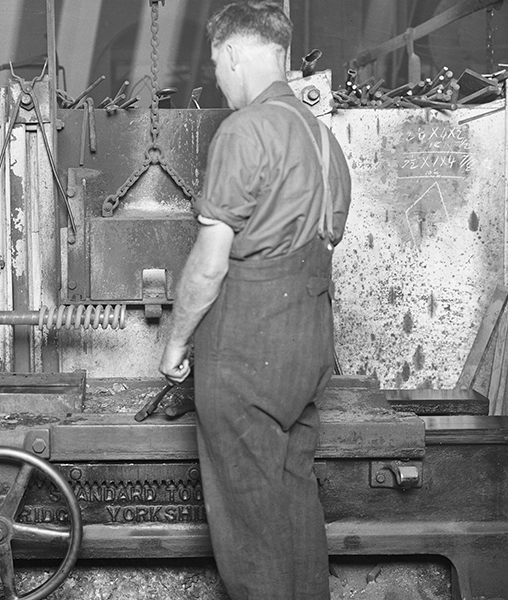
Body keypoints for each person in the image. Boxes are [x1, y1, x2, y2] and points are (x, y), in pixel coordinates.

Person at [158, 2, 352, 598]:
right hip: (308, 343)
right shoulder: (323, 140)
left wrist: (175, 343)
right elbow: (322, 243)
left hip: (250, 347)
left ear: (236, 53)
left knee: (249, 526)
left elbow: (209, 266)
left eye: (216, 61)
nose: (217, 75)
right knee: (293, 505)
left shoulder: (244, 131)